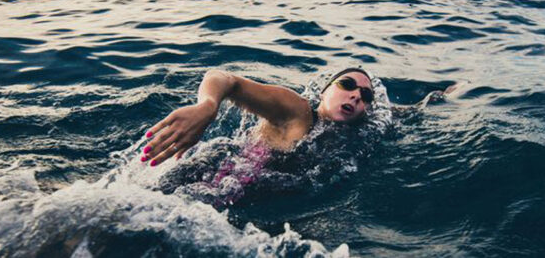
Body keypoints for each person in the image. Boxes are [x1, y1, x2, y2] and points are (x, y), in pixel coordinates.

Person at [141, 67, 378, 167]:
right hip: (208, 182)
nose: (356, 95)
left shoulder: (353, 136)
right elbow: (225, 79)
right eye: (347, 84)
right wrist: (208, 106)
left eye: (365, 95)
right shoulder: (297, 111)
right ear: (324, 91)